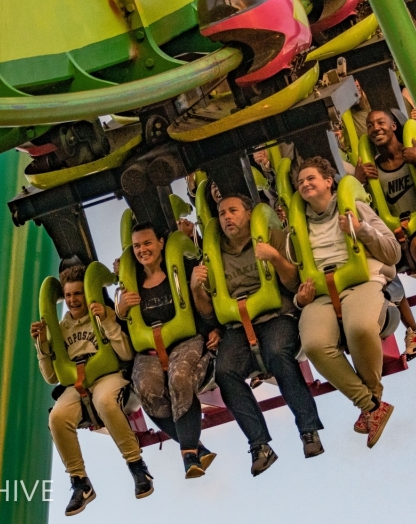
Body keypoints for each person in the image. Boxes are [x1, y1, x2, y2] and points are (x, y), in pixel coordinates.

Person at [191, 194, 324, 476]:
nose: (227, 217)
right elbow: (209, 314)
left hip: (276, 315)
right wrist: (196, 289)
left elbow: (293, 281)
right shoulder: (213, 253)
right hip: (238, 326)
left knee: (278, 355)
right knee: (225, 371)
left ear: (249, 214)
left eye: (233, 211)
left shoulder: (270, 235)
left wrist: (275, 257)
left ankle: (308, 429)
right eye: (222, 213)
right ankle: (259, 444)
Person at [292, 157, 399, 447]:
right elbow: (293, 276)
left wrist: (361, 229)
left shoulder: (353, 206)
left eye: (311, 178)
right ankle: (372, 406)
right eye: (300, 182)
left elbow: (393, 252)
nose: (305, 184)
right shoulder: (297, 223)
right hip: (322, 292)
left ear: (329, 181)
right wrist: (299, 298)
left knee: (360, 328)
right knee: (314, 344)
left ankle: (371, 401)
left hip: (360, 280)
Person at [31, 265, 153, 516]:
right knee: (57, 417)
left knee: (105, 401)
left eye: (78, 293)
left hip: (107, 376)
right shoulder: (60, 328)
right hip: (76, 383)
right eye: (68, 295)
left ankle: (137, 465)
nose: (73, 300)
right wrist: (42, 346)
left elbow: (125, 353)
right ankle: (80, 483)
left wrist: (107, 320)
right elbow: (51, 377)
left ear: (87, 294)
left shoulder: (102, 314)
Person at [116, 222, 221, 479]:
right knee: (146, 387)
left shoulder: (179, 269)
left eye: (147, 243)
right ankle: (195, 447)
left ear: (161, 243)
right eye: (137, 246)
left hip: (184, 340)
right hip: (151, 348)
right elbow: (125, 326)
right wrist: (121, 309)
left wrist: (214, 329)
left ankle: (188, 455)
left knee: (179, 378)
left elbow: (200, 302)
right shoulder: (131, 281)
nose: (143, 250)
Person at [355, 109, 416, 357]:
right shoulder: (373, 169)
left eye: (381, 122)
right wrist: (358, 182)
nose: (375, 128)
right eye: (370, 125)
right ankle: (413, 332)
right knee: (376, 267)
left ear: (393, 126)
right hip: (396, 234)